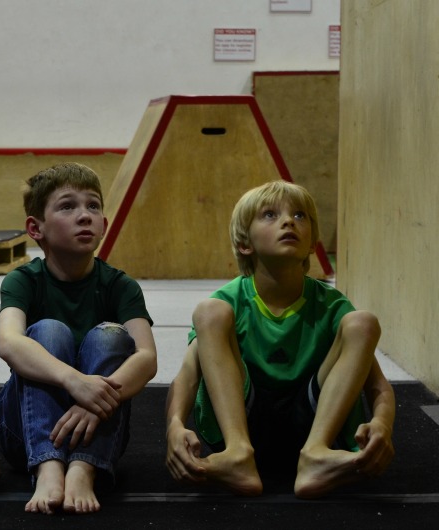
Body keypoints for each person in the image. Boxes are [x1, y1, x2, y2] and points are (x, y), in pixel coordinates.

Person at [165, 180, 395, 499]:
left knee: (363, 322)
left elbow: (378, 386)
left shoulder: (331, 306)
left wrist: (383, 424)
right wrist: (175, 425)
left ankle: (316, 455)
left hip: (313, 421)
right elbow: (187, 377)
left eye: (300, 216)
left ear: (312, 241)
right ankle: (237, 455)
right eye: (270, 215)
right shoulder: (227, 302)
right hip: (245, 417)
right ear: (245, 243)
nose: (288, 221)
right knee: (209, 312)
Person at [0, 162, 158, 515]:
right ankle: (48, 465)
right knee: (49, 330)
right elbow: (9, 342)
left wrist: (92, 399)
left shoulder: (120, 285)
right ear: (35, 228)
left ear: (104, 225)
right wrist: (75, 381)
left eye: (93, 206)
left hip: (96, 429)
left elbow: (146, 358)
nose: (84, 215)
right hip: (23, 431)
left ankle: (84, 467)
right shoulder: (23, 280)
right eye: (67, 206)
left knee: (111, 337)